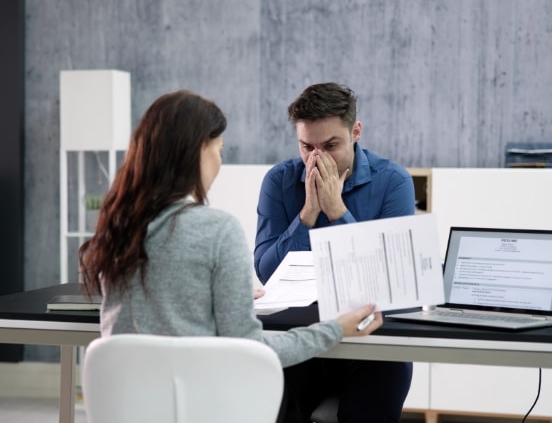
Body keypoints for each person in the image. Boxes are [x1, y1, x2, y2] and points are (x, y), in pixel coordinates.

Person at [78, 90, 382, 417]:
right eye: (219, 150)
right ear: (198, 151)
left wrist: (219, 295)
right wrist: (335, 329)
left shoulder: (116, 228)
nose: (219, 162)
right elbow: (252, 349)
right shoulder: (219, 230)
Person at [254, 82, 415, 422]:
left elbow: (388, 278)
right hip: (298, 339)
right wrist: (308, 213)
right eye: (307, 147)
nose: (317, 159)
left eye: (330, 146)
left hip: (373, 344)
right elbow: (267, 273)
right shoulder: (278, 181)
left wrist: (336, 209)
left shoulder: (393, 182)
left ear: (355, 132)